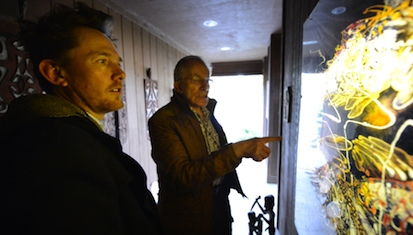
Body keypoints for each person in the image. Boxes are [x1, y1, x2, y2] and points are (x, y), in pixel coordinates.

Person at [0, 3, 162, 235]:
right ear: (56, 73)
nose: (121, 74)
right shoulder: (56, 148)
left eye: (118, 63)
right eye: (102, 61)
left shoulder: (74, 136)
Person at [148, 55, 282, 235]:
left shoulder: (207, 112)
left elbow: (215, 153)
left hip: (218, 202)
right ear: (178, 86)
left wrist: (243, 152)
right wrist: (237, 150)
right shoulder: (163, 121)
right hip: (187, 216)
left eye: (207, 80)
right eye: (196, 80)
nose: (205, 86)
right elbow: (182, 177)